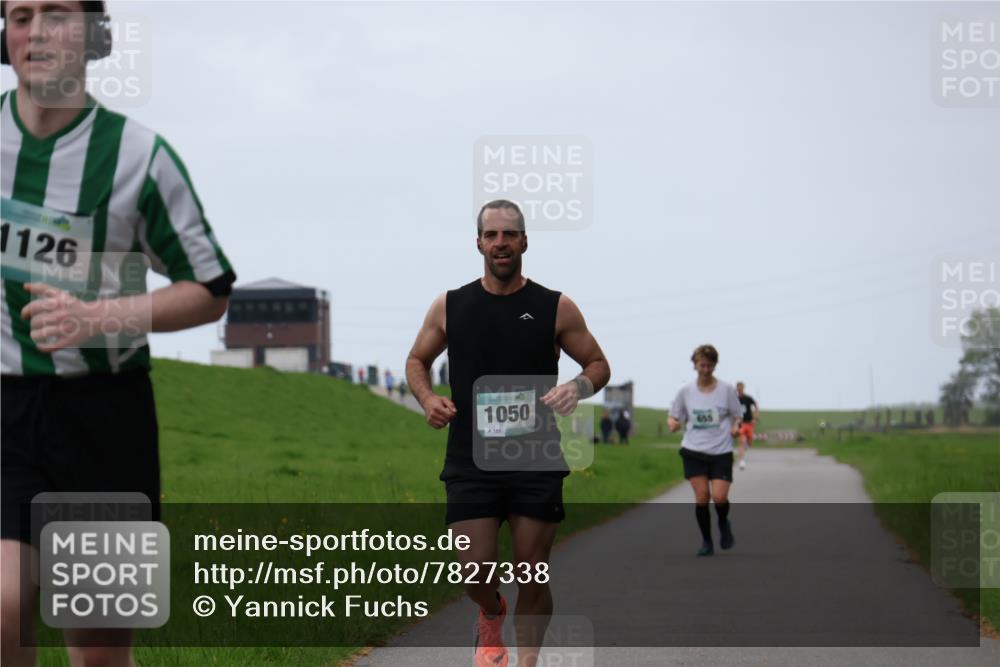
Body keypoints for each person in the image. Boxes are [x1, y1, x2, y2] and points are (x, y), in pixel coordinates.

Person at [0, 2, 235, 664]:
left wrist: (98, 317)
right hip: (7, 410)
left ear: (95, 35)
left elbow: (209, 289)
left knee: (99, 651)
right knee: (3, 607)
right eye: (20, 16)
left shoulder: (141, 157)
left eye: (56, 14)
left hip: (105, 418)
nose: (36, 32)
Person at [406, 199, 610, 667]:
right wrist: (427, 398)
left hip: (535, 458)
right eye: (492, 235)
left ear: (524, 242)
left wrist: (576, 387)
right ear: (478, 243)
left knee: (531, 572)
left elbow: (598, 364)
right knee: (474, 573)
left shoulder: (554, 306)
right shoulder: (450, 305)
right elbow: (417, 359)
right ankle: (491, 610)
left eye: (510, 234)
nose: (501, 243)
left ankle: (527, 662)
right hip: (470, 460)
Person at [668, 345, 742, 556]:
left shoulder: (726, 390)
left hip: (721, 451)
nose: (706, 370)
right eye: (702, 365)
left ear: (715, 366)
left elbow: (737, 415)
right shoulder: (685, 391)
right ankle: (707, 541)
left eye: (710, 365)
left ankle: (723, 521)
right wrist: (673, 423)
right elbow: (674, 415)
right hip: (694, 450)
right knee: (702, 497)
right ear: (695, 365)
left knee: (719, 497)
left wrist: (736, 427)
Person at [736, 382, 758, 470]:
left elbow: (756, 406)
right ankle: (742, 461)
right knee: (741, 441)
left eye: (741, 388)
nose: (739, 390)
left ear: (743, 388)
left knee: (749, 442)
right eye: (738, 389)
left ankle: (747, 445)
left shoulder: (748, 398)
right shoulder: (735, 399)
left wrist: (755, 418)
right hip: (740, 423)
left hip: (749, 423)